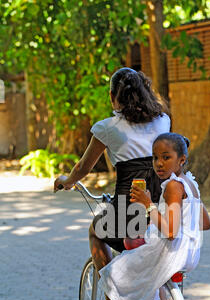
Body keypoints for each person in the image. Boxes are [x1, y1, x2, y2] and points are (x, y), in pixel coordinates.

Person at [91, 132, 210, 300]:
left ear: (182, 160)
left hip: (167, 252)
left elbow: (171, 231)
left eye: (166, 157)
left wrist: (149, 205)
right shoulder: (191, 185)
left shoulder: (173, 187)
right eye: (155, 158)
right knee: (140, 279)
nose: (159, 164)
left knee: (113, 273)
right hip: (188, 253)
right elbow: (204, 222)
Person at [54, 67, 171, 271]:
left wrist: (67, 181)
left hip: (129, 214)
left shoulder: (107, 128)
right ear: (145, 92)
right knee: (154, 270)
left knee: (95, 231)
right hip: (164, 211)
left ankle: (112, 288)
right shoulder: (163, 121)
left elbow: (83, 167)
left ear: (112, 96)